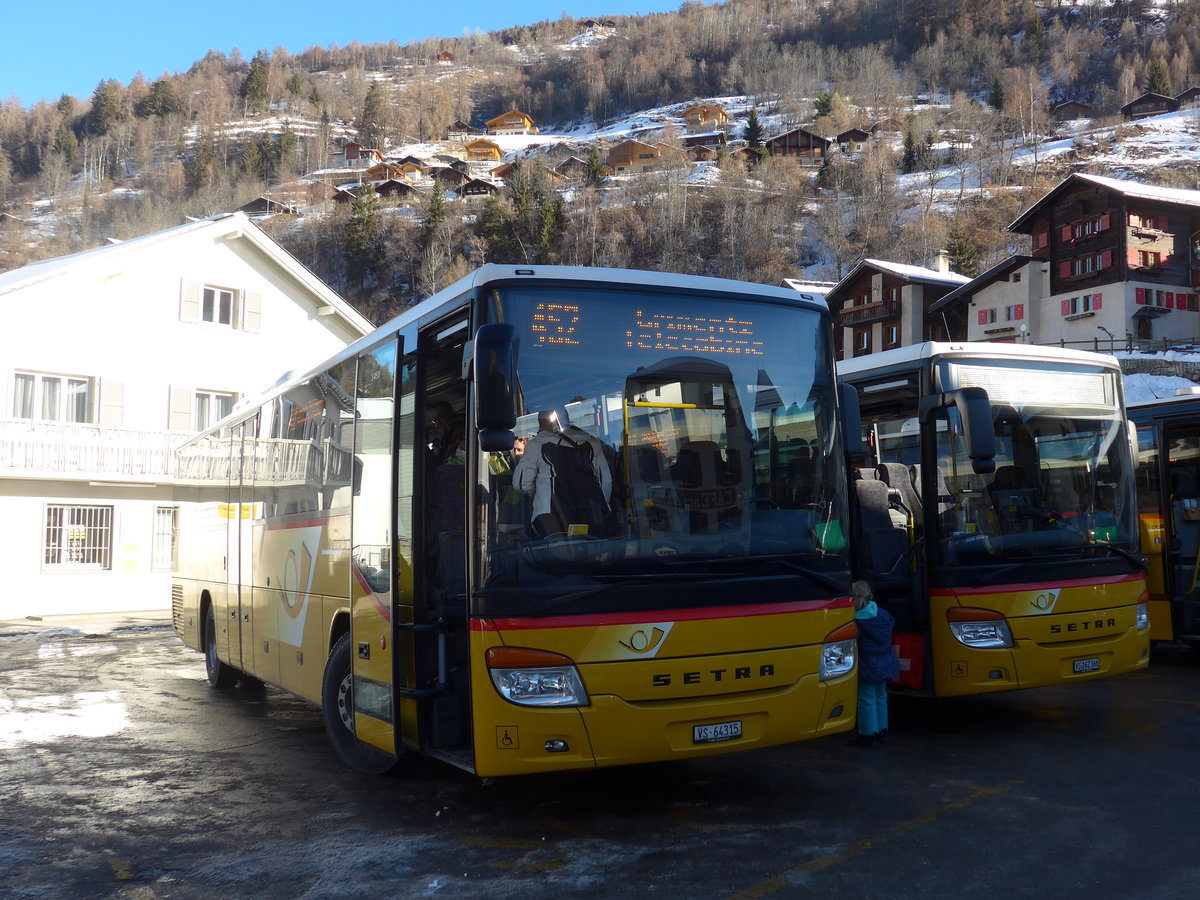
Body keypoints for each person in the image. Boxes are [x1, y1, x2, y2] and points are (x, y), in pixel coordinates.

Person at [514, 408, 612, 538]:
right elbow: (606, 481)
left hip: (551, 517)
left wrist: (538, 494)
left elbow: (521, 484)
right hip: (592, 513)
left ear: (540, 423)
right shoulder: (591, 441)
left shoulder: (537, 443)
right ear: (567, 418)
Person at [850, 579, 899, 747]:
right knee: (881, 696)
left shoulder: (856, 620)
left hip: (867, 663)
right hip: (885, 661)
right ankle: (882, 730)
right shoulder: (884, 614)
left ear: (854, 597)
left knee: (866, 698)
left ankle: (867, 734)